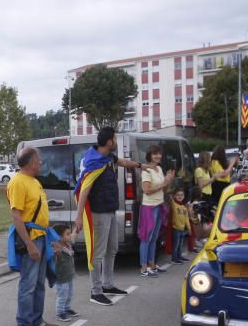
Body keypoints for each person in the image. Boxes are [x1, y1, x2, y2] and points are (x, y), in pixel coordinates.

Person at [72, 127, 152, 306]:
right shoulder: (94, 162)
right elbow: (84, 190)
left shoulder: (108, 157)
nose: (115, 141)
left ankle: (108, 285)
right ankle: (96, 291)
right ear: (109, 142)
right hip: (98, 212)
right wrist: (79, 217)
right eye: (114, 138)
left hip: (110, 209)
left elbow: (122, 162)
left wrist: (141, 166)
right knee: (98, 253)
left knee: (112, 248)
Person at [8, 147, 59, 326]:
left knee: (39, 283)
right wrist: (29, 244)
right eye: (39, 160)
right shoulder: (18, 183)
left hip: (41, 236)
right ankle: (23, 325)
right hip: (31, 237)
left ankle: (37, 320)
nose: (41, 163)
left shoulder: (34, 182)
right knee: (28, 284)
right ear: (30, 162)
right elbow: (16, 216)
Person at [138, 145, 176, 277]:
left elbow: (164, 189)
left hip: (159, 205)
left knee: (154, 238)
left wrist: (168, 181)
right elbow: (147, 191)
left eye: (159, 154)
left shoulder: (159, 169)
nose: (158, 156)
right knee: (146, 238)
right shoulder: (146, 170)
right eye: (155, 154)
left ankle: (152, 265)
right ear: (150, 155)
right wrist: (164, 183)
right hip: (149, 208)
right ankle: (144, 268)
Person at [51, 224, 77, 322]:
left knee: (69, 294)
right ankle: (60, 313)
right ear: (59, 237)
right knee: (62, 295)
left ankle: (67, 308)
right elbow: (52, 259)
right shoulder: (56, 248)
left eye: (70, 233)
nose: (70, 236)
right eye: (67, 234)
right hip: (61, 278)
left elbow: (73, 238)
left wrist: (76, 230)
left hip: (68, 276)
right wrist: (55, 254)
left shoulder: (67, 244)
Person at [170, 187, 192, 264]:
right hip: (175, 228)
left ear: (184, 196)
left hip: (182, 229)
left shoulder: (184, 207)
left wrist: (189, 228)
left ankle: (179, 256)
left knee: (180, 244)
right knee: (175, 245)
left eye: (181, 195)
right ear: (174, 196)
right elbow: (170, 198)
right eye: (178, 195)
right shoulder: (174, 204)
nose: (180, 196)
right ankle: (174, 258)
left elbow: (186, 219)